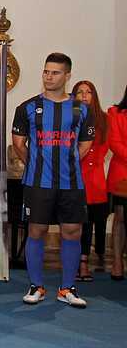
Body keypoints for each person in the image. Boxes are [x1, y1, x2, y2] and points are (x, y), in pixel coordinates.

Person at [12, 53, 95, 308]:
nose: (49, 76)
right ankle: (36, 286)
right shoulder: (27, 107)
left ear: (67, 76)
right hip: (38, 183)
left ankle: (67, 288)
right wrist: (37, 164)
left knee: (72, 232)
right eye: (46, 71)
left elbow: (85, 145)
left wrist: (67, 162)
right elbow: (19, 144)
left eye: (55, 72)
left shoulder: (81, 110)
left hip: (71, 184)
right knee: (36, 231)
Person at [71, 80, 110, 280]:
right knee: (77, 223)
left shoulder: (104, 119)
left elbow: (105, 145)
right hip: (75, 175)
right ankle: (79, 263)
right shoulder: (69, 117)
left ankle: (85, 261)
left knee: (91, 221)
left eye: (88, 92)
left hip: (95, 179)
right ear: (74, 96)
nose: (84, 95)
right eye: (80, 92)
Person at [107, 85, 127, 280]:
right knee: (120, 217)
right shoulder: (115, 113)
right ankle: (117, 261)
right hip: (123, 173)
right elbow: (114, 142)